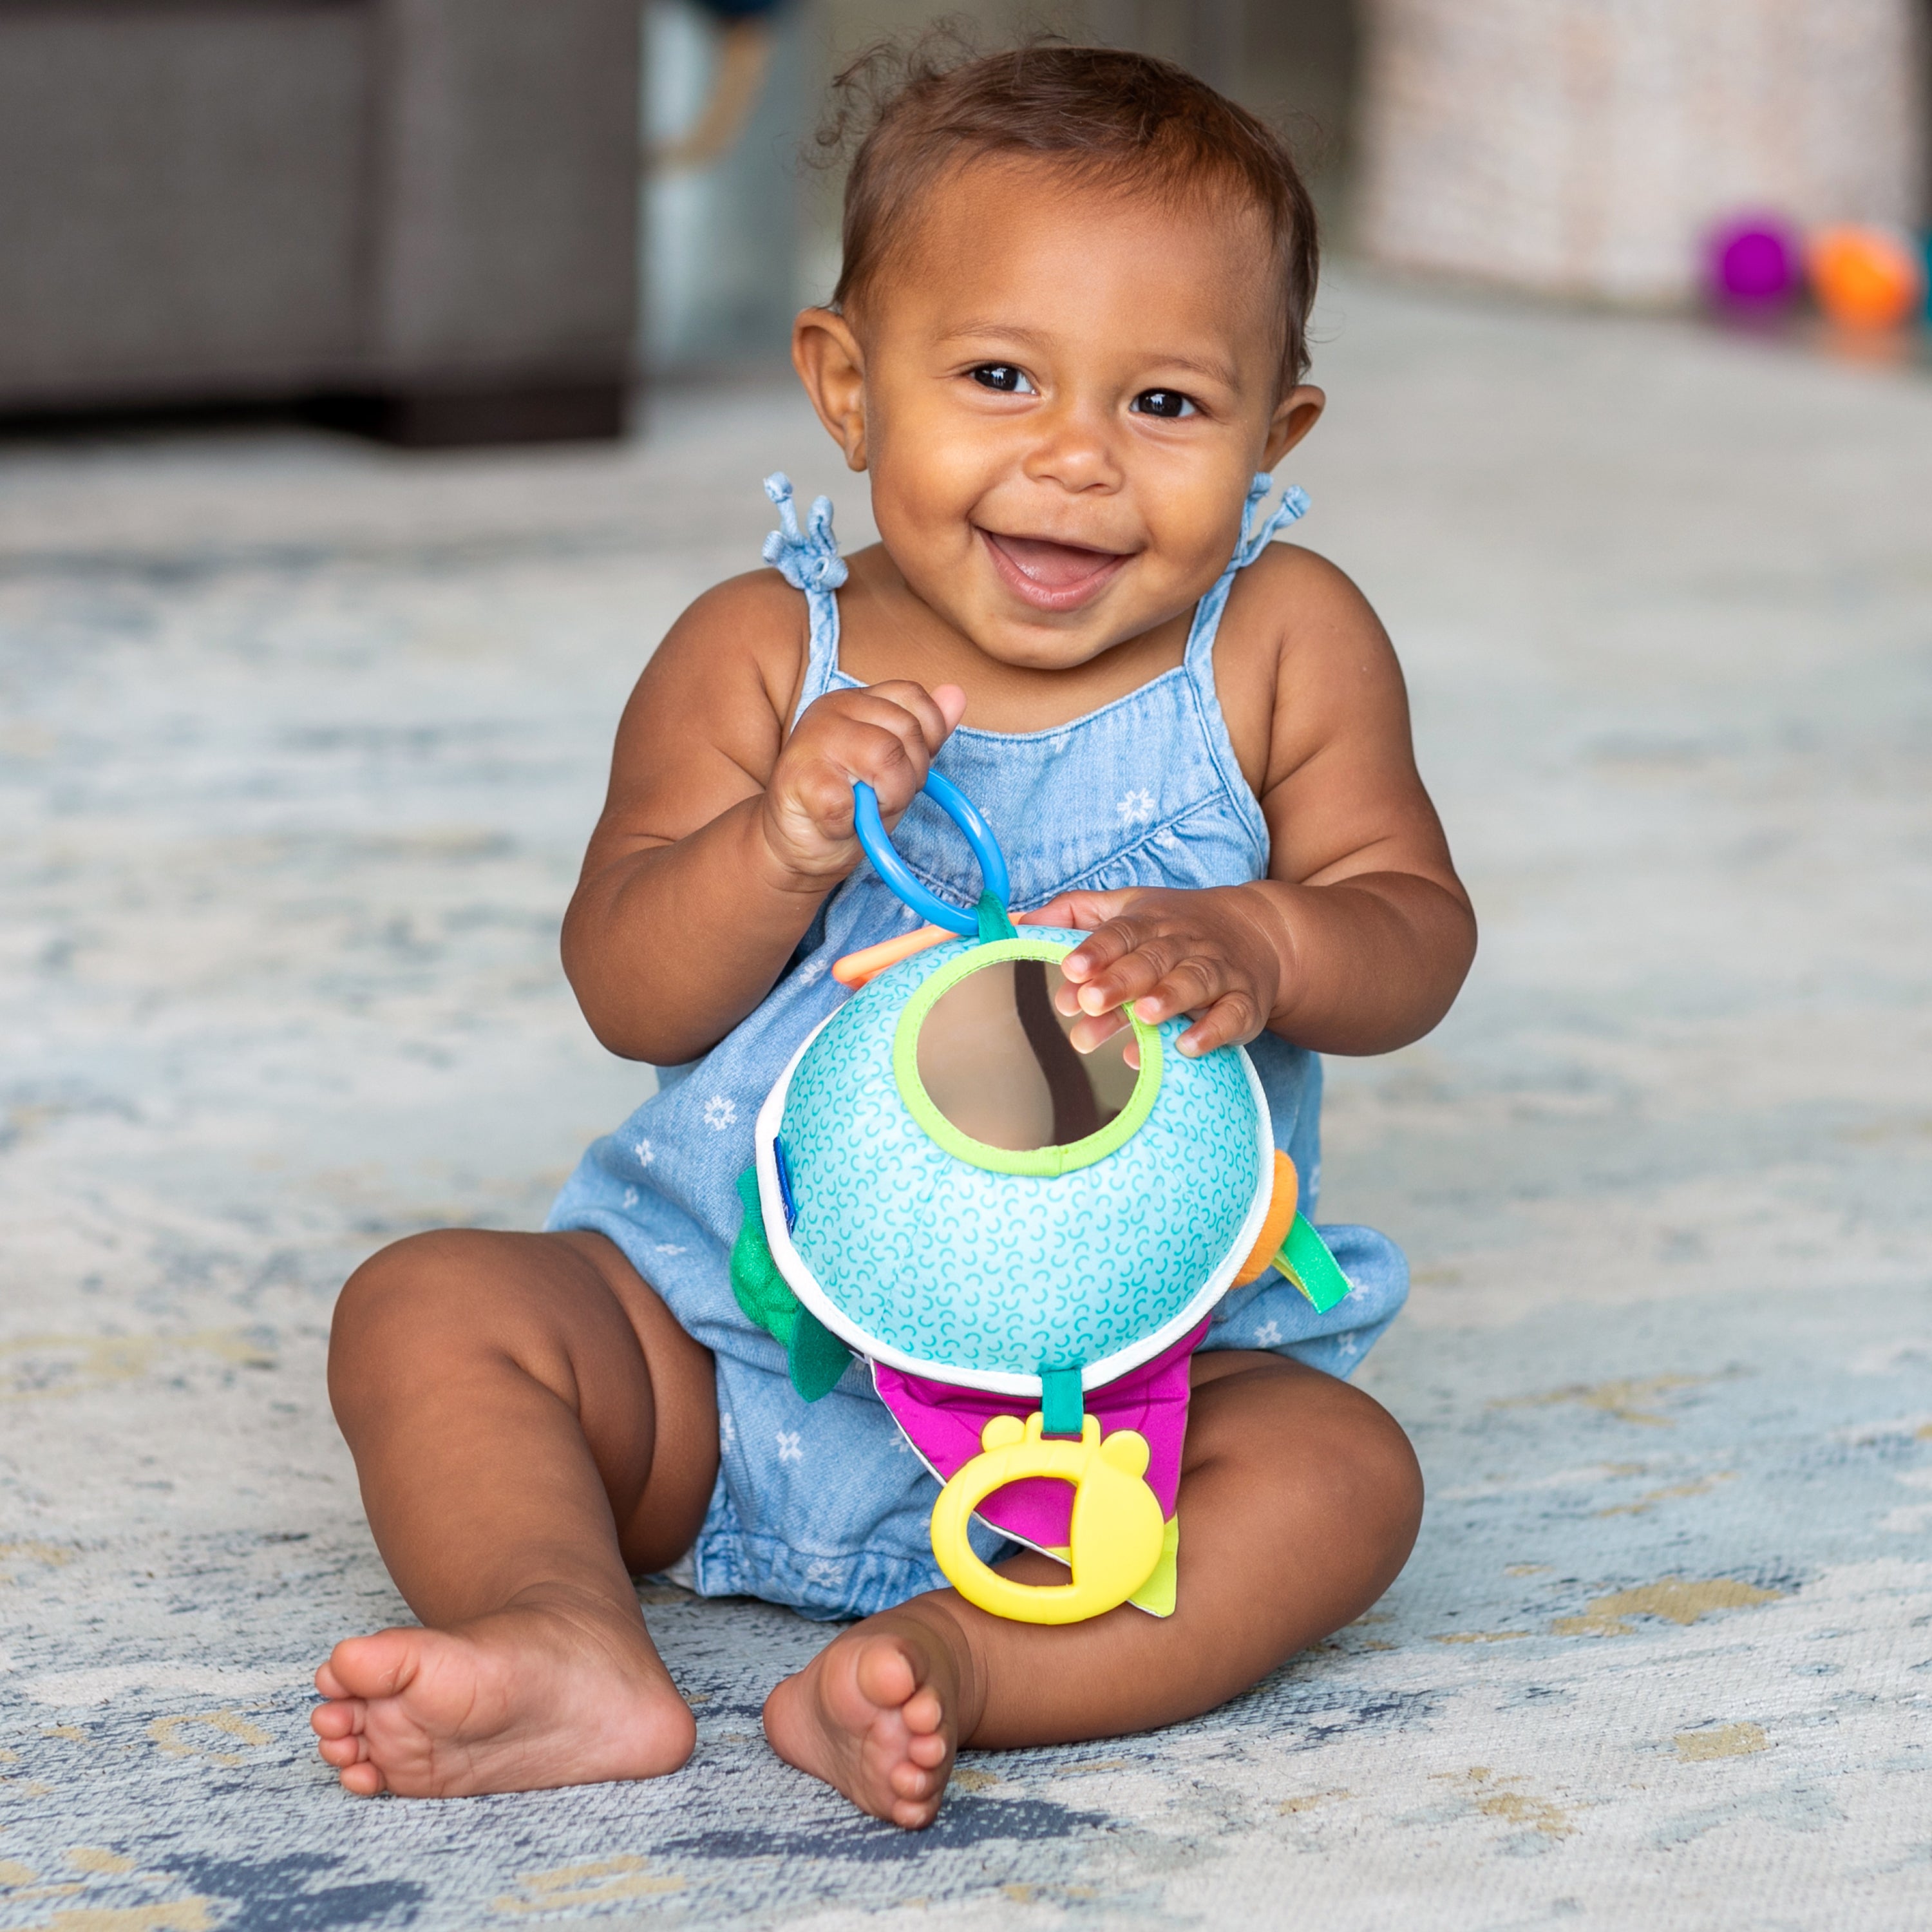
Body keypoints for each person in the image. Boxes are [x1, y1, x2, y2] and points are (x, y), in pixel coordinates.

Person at [310, 39, 1475, 1829]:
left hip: (1123, 1409)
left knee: (1344, 1476)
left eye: (1167, 404)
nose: (1076, 460)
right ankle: (557, 1631)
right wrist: (776, 843)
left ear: (1275, 434)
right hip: (714, 1358)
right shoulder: (758, 652)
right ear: (847, 389)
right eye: (1000, 377)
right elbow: (628, 988)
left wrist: (1265, 937)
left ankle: (969, 1660)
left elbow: (1414, 928)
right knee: (430, 1308)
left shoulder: (1283, 644)